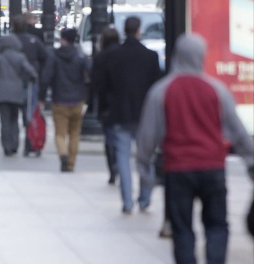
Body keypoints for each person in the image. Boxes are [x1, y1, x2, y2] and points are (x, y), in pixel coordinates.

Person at [136, 34, 254, 264]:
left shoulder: (162, 90)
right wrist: (251, 161)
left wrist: (144, 168)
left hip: (178, 169)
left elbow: (147, 135)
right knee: (217, 225)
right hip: (212, 168)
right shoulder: (217, 90)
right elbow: (238, 132)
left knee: (182, 229)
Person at [100, 17, 162, 214]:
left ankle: (127, 201)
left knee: (123, 159)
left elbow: (105, 86)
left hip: (119, 113)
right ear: (138, 31)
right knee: (145, 158)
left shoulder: (114, 56)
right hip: (144, 115)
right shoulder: (150, 57)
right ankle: (145, 197)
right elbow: (157, 88)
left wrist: (104, 109)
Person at [39, 28, 89, 172]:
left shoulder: (54, 56)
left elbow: (46, 77)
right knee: (74, 133)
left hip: (59, 100)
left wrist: (42, 97)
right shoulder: (80, 56)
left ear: (62, 39)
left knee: (60, 134)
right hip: (77, 100)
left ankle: (63, 155)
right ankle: (71, 163)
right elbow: (90, 73)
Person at [0, 35, 37, 157]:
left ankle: (6, 146)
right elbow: (31, 72)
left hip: (2, 93)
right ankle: (15, 144)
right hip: (16, 93)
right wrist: (28, 79)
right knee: (14, 119)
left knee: (4, 121)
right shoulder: (21, 57)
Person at [12, 15, 49, 157]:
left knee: (13, 112)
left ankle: (13, 142)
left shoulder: (10, 40)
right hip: (30, 80)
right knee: (30, 111)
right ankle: (30, 143)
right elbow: (45, 57)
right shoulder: (33, 41)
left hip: (14, 79)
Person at [92, 27, 121, 185]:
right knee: (121, 137)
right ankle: (119, 163)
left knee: (109, 137)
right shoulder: (124, 55)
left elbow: (97, 84)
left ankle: (112, 168)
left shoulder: (101, 57)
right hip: (123, 103)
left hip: (107, 104)